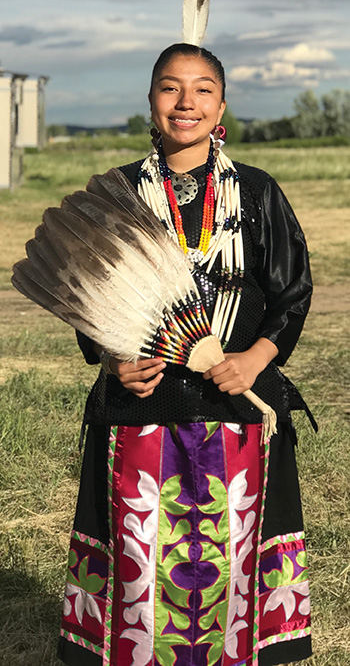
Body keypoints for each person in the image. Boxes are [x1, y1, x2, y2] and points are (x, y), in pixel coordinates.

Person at [57, 43, 314, 666]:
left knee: (233, 550)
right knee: (140, 553)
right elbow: (92, 298)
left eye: (202, 88)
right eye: (170, 87)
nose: (186, 102)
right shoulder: (121, 192)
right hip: (140, 404)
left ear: (222, 105)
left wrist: (255, 358)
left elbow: (292, 291)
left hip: (236, 404)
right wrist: (112, 357)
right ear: (151, 101)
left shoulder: (254, 192)